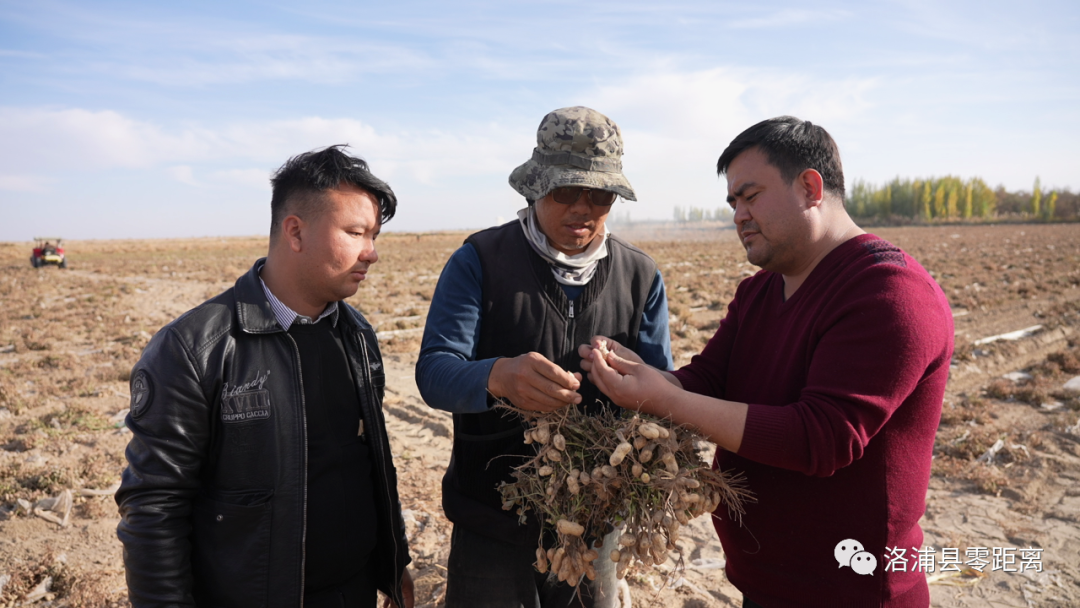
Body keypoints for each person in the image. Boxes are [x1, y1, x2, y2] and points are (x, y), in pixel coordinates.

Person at [583, 116, 953, 608]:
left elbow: (819, 438)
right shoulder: (759, 291)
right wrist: (644, 377)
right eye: (733, 202)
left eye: (751, 195)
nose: (738, 214)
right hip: (766, 585)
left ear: (809, 187)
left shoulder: (890, 294)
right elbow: (710, 380)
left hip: (852, 592)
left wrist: (665, 398)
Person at [116, 145, 414, 608]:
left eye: (374, 236)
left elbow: (373, 462)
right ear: (295, 231)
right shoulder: (196, 350)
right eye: (356, 232)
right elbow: (154, 508)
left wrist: (394, 566)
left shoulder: (356, 335)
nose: (371, 253)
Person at [416, 106, 673, 607]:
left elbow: (661, 390)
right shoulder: (480, 262)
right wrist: (498, 376)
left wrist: (639, 380)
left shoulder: (640, 277)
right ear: (536, 187)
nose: (582, 207)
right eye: (564, 192)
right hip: (491, 522)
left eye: (599, 194)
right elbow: (434, 371)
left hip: (592, 526)